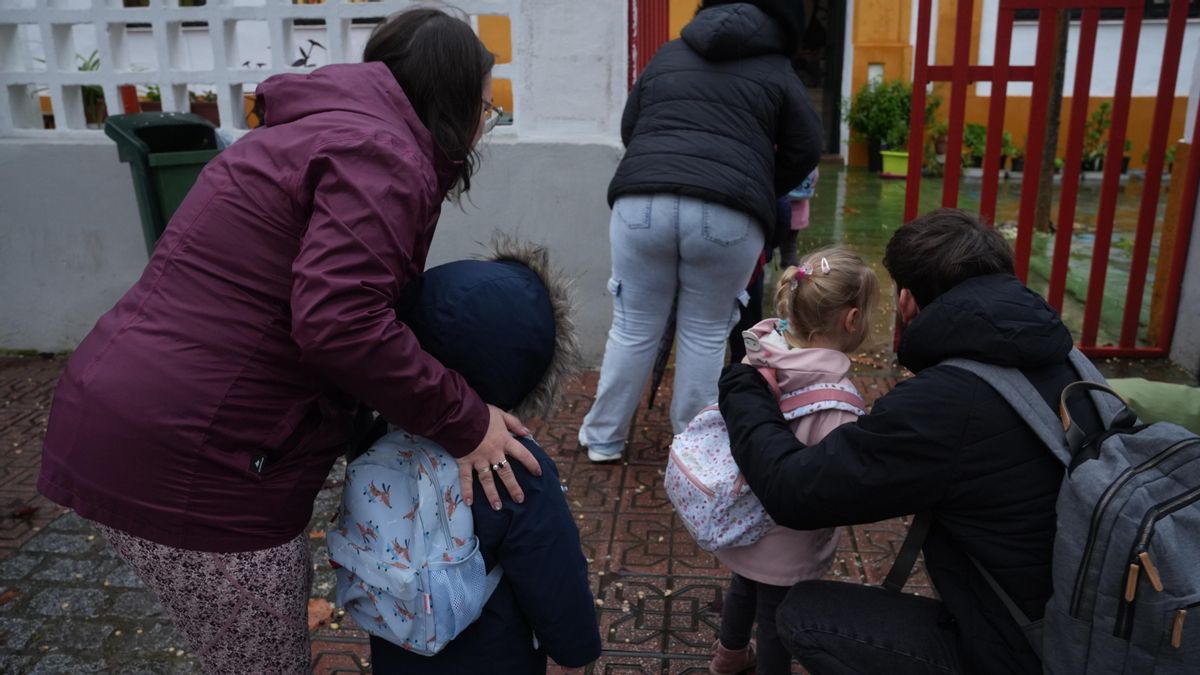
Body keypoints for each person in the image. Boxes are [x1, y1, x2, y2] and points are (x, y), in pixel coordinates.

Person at [37, 8, 526, 672]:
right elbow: (340, 322)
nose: (483, 127)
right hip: (196, 456)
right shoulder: (381, 154)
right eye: (485, 110)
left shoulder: (316, 131)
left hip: (131, 413)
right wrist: (464, 421)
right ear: (450, 103)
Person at [717, 208, 1102, 675]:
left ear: (908, 301)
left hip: (1022, 648)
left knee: (804, 613)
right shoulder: (1069, 359)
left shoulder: (944, 402)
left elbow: (794, 491)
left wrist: (741, 385)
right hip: (1087, 618)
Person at [579, 0, 823, 462]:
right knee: (706, 332)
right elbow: (808, 145)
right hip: (729, 213)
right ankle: (692, 450)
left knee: (632, 327)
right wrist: (758, 184)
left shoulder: (670, 52)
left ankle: (603, 439)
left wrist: (660, 167)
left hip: (641, 201)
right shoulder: (776, 67)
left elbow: (631, 125)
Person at [357, 241, 602, 674]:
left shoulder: (379, 434)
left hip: (398, 645)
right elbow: (553, 574)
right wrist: (576, 649)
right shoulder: (513, 465)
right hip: (494, 656)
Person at [710, 248, 878, 675]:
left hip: (745, 516)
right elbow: (835, 480)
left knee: (743, 585)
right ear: (852, 320)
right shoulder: (840, 404)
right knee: (775, 617)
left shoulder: (762, 352)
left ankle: (728, 657)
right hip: (788, 538)